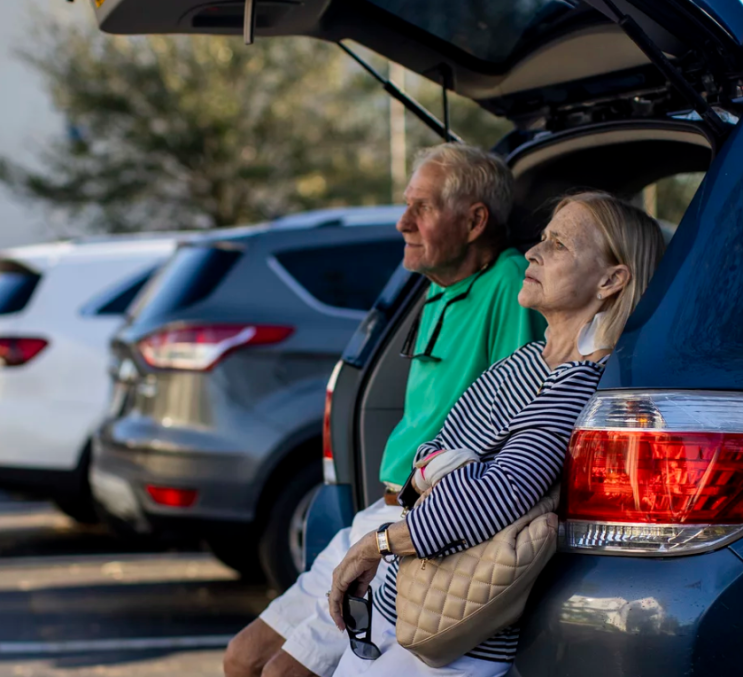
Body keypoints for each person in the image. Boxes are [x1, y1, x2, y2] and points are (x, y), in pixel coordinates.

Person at [223, 143, 546, 677]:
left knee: (283, 673)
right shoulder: (437, 289)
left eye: (421, 207)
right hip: (376, 515)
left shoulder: (510, 286)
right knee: (244, 657)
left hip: (425, 527)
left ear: (474, 221)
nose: (402, 223)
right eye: (406, 205)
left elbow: (517, 435)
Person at [327, 191, 666, 676]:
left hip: (454, 630)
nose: (534, 252)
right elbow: (432, 458)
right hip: (406, 597)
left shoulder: (582, 378)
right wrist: (448, 475)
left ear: (611, 280)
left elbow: (500, 492)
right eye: (543, 239)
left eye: (560, 245)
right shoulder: (526, 361)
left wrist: (378, 543)